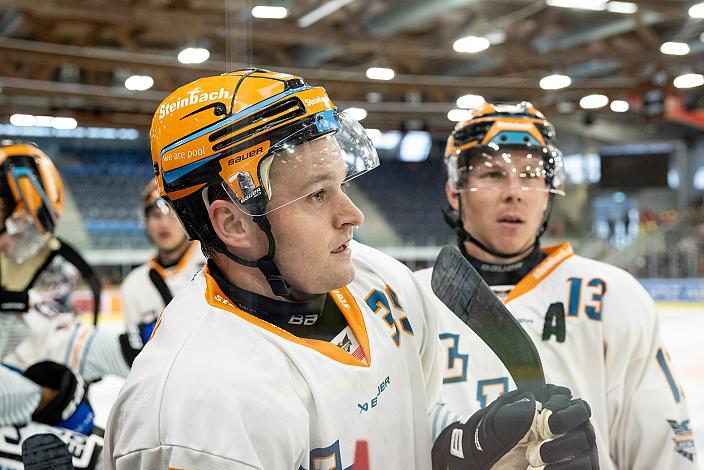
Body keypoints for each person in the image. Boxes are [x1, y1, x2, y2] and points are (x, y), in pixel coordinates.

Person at [104, 69, 598, 470]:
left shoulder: (379, 279)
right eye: (317, 194)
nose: (352, 215)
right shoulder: (199, 411)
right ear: (234, 223)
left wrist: (470, 451)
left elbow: (413, 417)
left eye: (342, 185)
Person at [414, 102, 697, 469]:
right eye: (493, 174)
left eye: (530, 174)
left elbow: (666, 452)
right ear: (455, 192)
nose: (514, 191)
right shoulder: (407, 300)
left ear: (548, 192)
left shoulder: (615, 295)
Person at [0, 140, 120, 467]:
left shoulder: (64, 269)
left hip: (48, 422)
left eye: (21, 226)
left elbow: (68, 344)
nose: (11, 238)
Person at [119, 180, 205, 366]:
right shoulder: (134, 285)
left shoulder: (215, 262)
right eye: (156, 215)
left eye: (173, 214)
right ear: (146, 221)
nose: (164, 223)